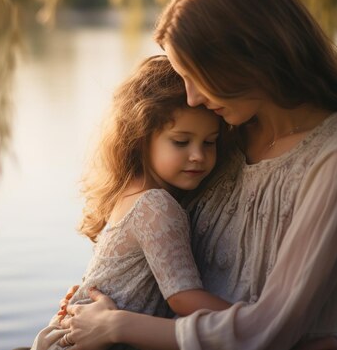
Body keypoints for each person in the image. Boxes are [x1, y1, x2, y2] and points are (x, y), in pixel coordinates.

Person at [58, 0, 337, 350]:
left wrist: (119, 326)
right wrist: (101, 295)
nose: (192, 97)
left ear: (247, 59)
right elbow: (153, 245)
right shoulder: (222, 138)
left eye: (197, 77)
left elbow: (270, 330)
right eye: (183, 79)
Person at [30, 55, 231, 350]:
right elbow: (184, 298)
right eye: (181, 141)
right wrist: (266, 323)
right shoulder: (155, 206)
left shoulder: (129, 193)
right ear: (141, 137)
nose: (198, 155)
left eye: (209, 142)